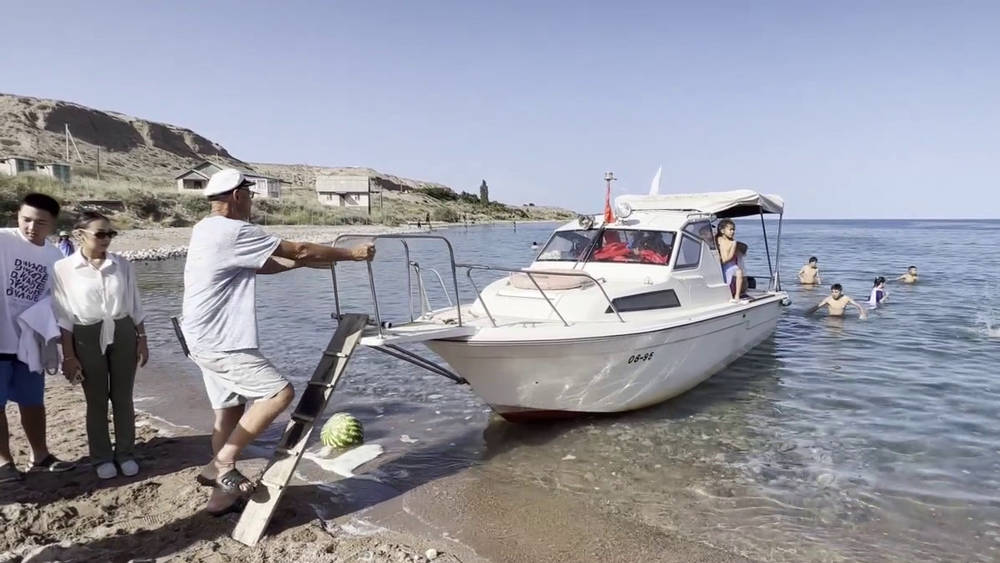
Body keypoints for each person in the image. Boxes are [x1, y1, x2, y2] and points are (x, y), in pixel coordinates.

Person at [181, 169, 375, 515]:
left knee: (229, 410)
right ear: (237, 195)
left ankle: (219, 496)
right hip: (221, 340)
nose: (253, 201)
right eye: (251, 194)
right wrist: (350, 254)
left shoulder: (206, 228)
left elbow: (263, 265)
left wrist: (303, 265)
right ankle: (223, 463)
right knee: (279, 393)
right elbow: (298, 248)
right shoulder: (234, 230)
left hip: (200, 336)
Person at [52, 212, 148, 480]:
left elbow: (135, 305)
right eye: (100, 233)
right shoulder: (63, 269)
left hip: (123, 331)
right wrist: (68, 355)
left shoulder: (123, 265)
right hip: (86, 333)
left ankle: (126, 453)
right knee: (95, 399)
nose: (106, 239)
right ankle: (102, 457)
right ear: (79, 234)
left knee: (122, 397)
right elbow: (63, 314)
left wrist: (142, 340)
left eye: (110, 233)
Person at [0, 193, 76, 483]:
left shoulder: (54, 256)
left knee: (33, 401)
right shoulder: (3, 240)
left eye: (41, 222)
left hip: (28, 344)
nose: (32, 227)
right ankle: (4, 462)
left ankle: (40, 455)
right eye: (26, 219)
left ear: (53, 224)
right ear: (17, 216)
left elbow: (58, 301)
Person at [716, 220, 744, 300]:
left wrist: (724, 261)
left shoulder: (733, 242)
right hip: (720, 264)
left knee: (739, 272)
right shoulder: (718, 239)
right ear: (722, 231)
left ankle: (737, 295)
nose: (732, 231)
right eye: (730, 229)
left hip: (729, 264)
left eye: (733, 230)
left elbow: (731, 256)